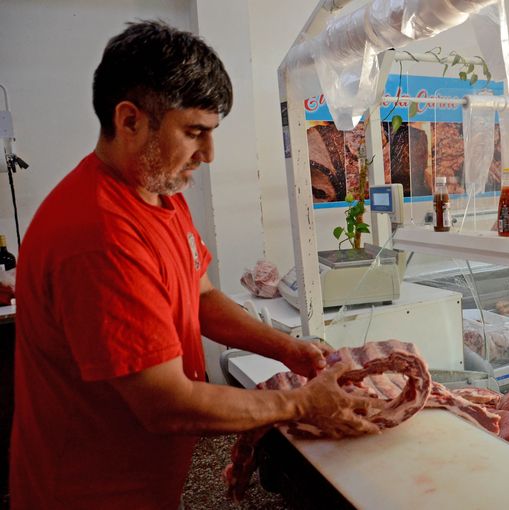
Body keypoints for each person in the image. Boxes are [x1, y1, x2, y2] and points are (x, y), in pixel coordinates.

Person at [10, 21, 379, 509]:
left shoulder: (160, 194)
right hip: (87, 490)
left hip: (146, 480)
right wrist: (298, 403)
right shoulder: (98, 235)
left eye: (212, 132)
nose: (208, 154)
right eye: (194, 133)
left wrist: (287, 348)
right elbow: (165, 405)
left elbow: (199, 297)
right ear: (129, 120)